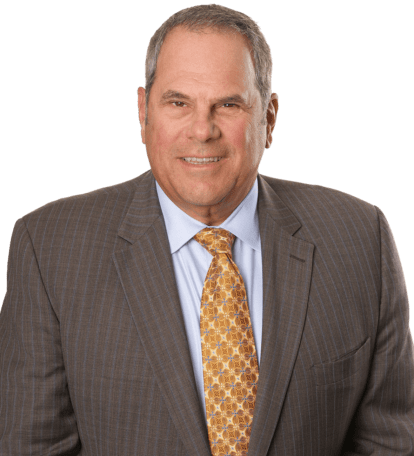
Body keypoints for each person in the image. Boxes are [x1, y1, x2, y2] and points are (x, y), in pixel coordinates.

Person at [1, 3, 413, 455]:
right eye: (178, 103)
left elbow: (388, 442)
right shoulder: (49, 248)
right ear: (143, 112)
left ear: (269, 118)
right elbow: (33, 447)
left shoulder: (361, 238)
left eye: (228, 104)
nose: (202, 130)